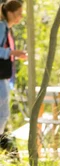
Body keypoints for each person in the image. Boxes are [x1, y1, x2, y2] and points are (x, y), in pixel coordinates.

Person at [0, 0, 26, 135]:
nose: (21, 16)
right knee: (3, 113)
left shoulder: (6, 29)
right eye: (19, 13)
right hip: (0, 76)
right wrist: (11, 52)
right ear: (9, 13)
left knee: (3, 113)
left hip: (4, 75)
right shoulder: (1, 27)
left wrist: (15, 55)